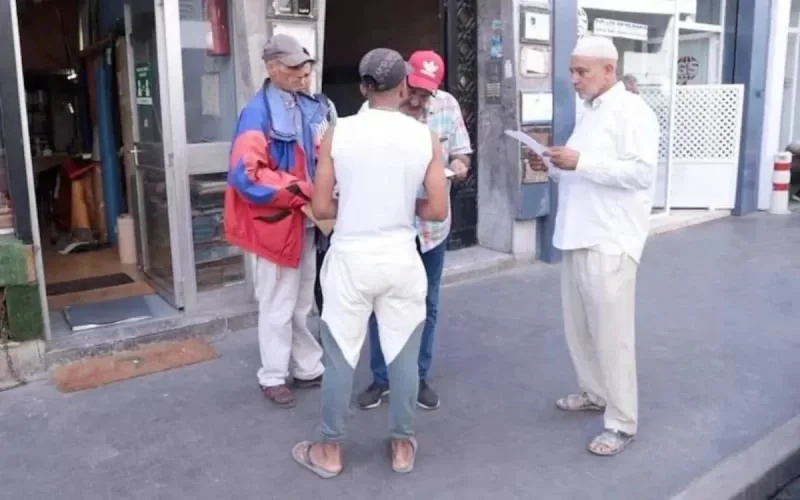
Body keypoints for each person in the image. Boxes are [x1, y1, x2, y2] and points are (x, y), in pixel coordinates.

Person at [291, 48, 449, 478]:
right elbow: (436, 210)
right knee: (402, 353)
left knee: (340, 355)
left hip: (350, 261)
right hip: (401, 259)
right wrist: (400, 203)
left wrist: (358, 205)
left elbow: (322, 207)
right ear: (403, 87)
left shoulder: (338, 133)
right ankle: (401, 445)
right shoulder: (425, 137)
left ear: (363, 87)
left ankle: (330, 451)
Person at [542, 36, 659, 456]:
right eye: (572, 71)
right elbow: (585, 172)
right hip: (578, 233)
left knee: (612, 335)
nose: (573, 79)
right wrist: (556, 167)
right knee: (580, 328)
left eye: (581, 71)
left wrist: (581, 162)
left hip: (610, 238)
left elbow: (641, 174)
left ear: (609, 70)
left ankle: (622, 422)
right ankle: (594, 393)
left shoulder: (632, 111)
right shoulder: (591, 112)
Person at [357, 50, 473, 411]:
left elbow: (464, 155)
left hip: (432, 230)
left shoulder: (448, 106)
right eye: (414, 92)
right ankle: (382, 378)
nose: (419, 101)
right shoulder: (374, 113)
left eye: (427, 94)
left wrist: (458, 163)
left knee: (426, 304)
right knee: (382, 303)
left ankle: (418, 375)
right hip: (389, 227)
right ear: (403, 80)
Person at [225, 34, 332, 408]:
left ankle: (306, 367)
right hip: (277, 220)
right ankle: (272, 375)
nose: (303, 75)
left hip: (305, 220)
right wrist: (302, 189)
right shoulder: (256, 112)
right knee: (276, 302)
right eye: (294, 68)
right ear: (271, 68)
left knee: (303, 300)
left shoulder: (314, 106)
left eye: (305, 67)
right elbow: (245, 174)